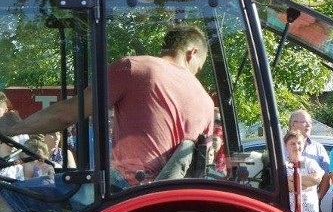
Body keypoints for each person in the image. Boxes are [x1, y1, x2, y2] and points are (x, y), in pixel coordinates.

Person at [1, 25, 215, 186]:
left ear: (192, 53)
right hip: (162, 195)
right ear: (191, 53)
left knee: (12, 197)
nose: (195, 73)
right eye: (199, 68)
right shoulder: (206, 103)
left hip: (125, 186)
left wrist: (13, 129)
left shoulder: (137, 68)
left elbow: (68, 113)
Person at [288, 109, 331, 202]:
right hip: (285, 204)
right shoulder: (281, 146)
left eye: (310, 122)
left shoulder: (318, 148)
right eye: (305, 122)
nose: (309, 125)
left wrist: (318, 197)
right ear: (293, 124)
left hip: (310, 205)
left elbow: (326, 175)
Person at [284, 130, 324, 212]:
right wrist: (307, 184)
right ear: (286, 145)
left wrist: (292, 179)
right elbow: (288, 187)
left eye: (299, 143)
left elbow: (316, 179)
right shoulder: (283, 165)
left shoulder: (311, 163)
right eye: (292, 144)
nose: (296, 147)